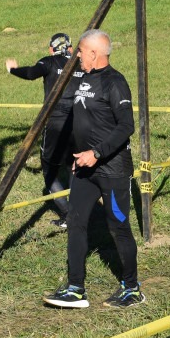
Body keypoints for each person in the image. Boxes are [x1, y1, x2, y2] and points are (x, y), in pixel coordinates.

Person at [43, 29, 144, 309]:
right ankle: (76, 289)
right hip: (84, 169)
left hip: (112, 168)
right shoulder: (82, 79)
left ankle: (132, 288)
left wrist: (96, 153)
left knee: (118, 227)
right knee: (76, 222)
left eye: (80, 51)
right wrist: (77, 156)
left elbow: (127, 126)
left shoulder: (115, 82)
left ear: (94, 54)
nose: (76, 56)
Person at [5, 33, 81, 229]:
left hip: (56, 122)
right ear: (71, 49)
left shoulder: (48, 61)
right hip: (81, 122)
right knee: (73, 164)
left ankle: (68, 214)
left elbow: (30, 73)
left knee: (48, 171)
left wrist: (13, 70)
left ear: (50, 49)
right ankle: (76, 210)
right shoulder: (80, 63)